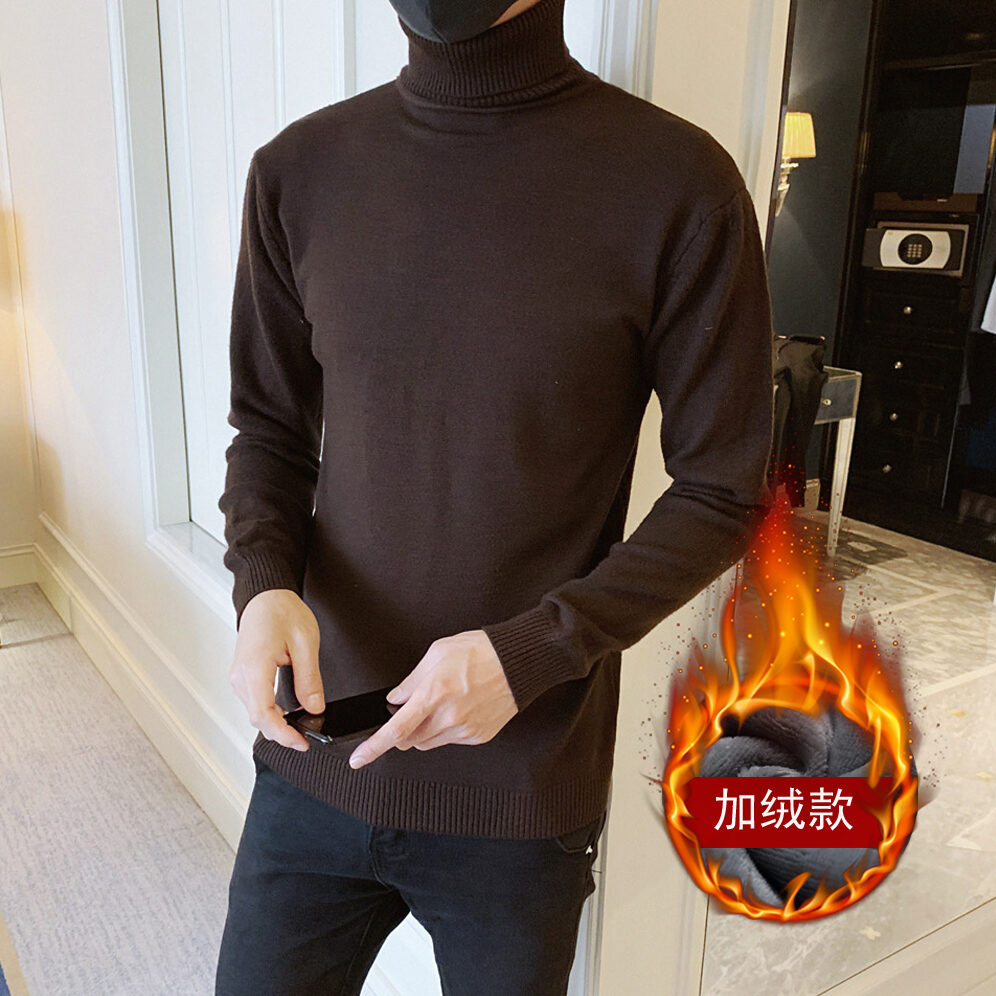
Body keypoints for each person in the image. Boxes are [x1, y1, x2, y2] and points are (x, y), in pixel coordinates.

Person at [214, 0, 776, 992]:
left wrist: (532, 652)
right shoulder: (299, 171)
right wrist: (262, 586)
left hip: (519, 798)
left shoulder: (677, 185)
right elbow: (268, 431)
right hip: (314, 760)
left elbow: (723, 491)